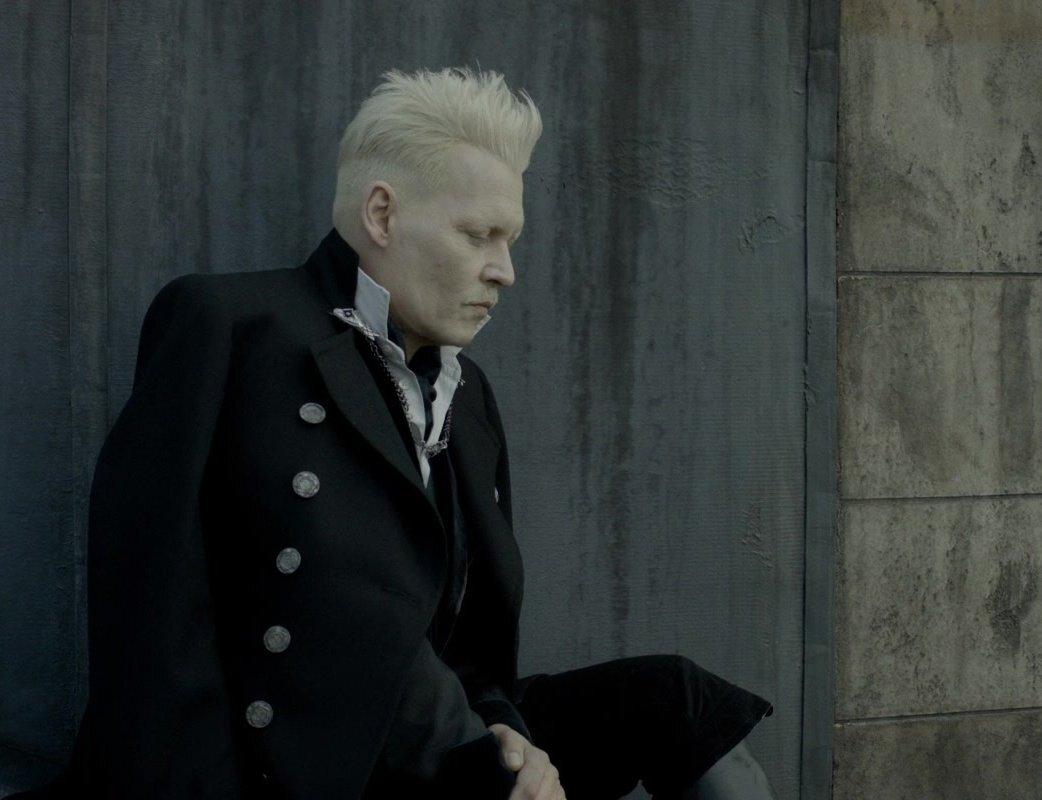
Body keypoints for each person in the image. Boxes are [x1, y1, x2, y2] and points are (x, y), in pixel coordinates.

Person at [9, 66, 773, 800]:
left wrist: (511, 738)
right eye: (478, 235)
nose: (504, 270)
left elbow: (468, 654)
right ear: (382, 215)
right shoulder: (233, 326)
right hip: (276, 772)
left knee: (680, 701)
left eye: (509, 240)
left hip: (429, 758)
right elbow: (149, 607)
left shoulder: (468, 399)